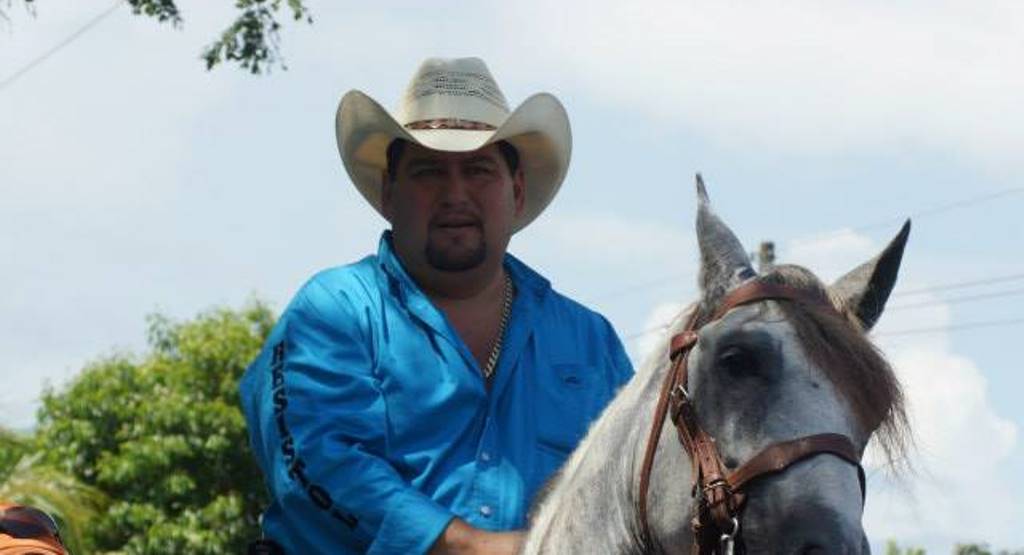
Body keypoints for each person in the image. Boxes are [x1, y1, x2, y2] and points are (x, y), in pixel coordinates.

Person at [239, 57, 633, 554]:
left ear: (515, 191)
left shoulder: (589, 340)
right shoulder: (334, 311)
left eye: (478, 170)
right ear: (388, 192)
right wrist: (473, 547)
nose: (455, 194)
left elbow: (632, 479)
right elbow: (316, 463)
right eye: (428, 172)